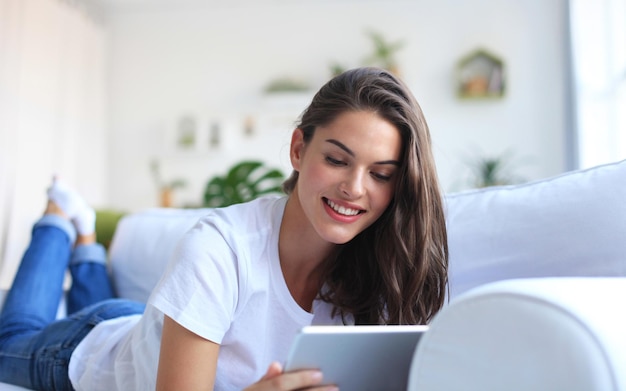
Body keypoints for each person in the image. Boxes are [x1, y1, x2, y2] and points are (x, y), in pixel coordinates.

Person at [0, 67, 449, 390]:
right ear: (298, 149)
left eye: (382, 174)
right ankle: (58, 219)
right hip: (87, 352)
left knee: (127, 327)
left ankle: (86, 243)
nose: (355, 188)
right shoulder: (221, 246)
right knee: (14, 335)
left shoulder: (378, 268)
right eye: (336, 159)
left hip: (148, 330)